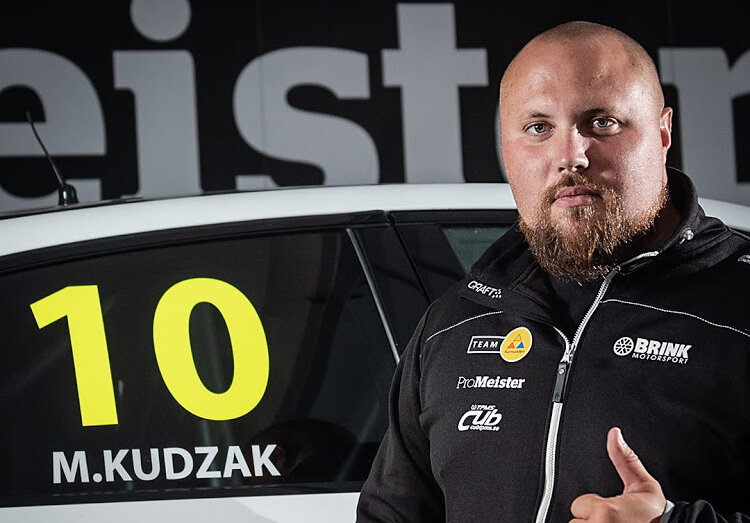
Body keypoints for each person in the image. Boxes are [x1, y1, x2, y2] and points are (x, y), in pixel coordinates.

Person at [356, 20, 750, 523]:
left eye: (602, 122)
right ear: (506, 146)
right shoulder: (454, 322)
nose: (571, 156)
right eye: (539, 128)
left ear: (662, 131)